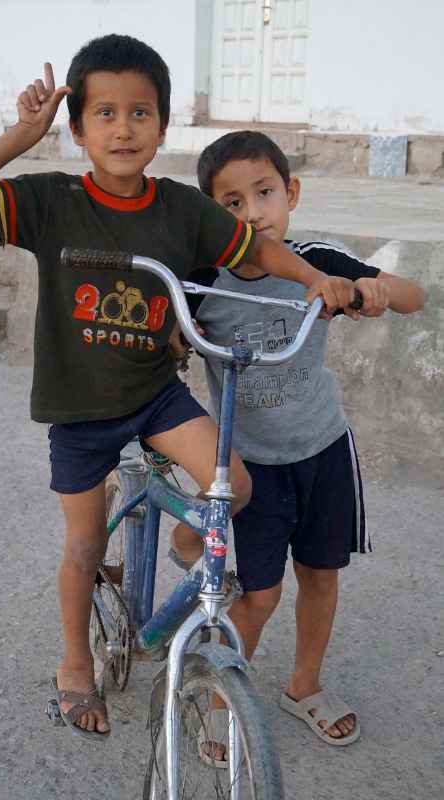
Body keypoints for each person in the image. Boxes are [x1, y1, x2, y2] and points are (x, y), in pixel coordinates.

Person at [0, 36, 360, 740]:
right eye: (104, 112)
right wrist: (24, 134)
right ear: (78, 128)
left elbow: (255, 248)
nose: (122, 127)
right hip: (79, 407)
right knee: (80, 545)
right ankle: (76, 664)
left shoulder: (179, 211)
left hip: (156, 396)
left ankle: (189, 545)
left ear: (163, 127)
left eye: (140, 112)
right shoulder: (50, 199)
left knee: (237, 487)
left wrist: (314, 278)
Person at [170, 130, 424, 754]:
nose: (252, 212)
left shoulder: (318, 262)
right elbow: (168, 332)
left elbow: (413, 297)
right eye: (230, 204)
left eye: (263, 193)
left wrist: (372, 293)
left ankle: (304, 684)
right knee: (258, 595)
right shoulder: (202, 280)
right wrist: (176, 335)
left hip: (323, 450)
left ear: (292, 193)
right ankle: (222, 694)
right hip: (252, 465)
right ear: (212, 215)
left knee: (320, 574)